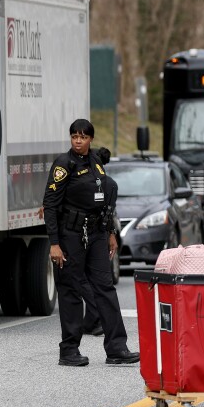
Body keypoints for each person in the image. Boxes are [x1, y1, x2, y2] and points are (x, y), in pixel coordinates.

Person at [43, 119, 139, 367]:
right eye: (74, 136)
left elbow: (105, 199)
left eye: (83, 137)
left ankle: (117, 348)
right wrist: (55, 243)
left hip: (97, 232)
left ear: (90, 140)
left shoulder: (95, 161)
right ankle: (69, 350)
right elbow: (50, 205)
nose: (78, 140)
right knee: (71, 290)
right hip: (71, 233)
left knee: (105, 288)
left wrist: (110, 233)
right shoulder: (63, 165)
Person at [79, 146, 119, 337]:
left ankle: (95, 318)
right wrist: (111, 235)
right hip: (102, 233)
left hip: (83, 233)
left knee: (81, 278)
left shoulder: (87, 181)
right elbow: (110, 213)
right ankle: (93, 321)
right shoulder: (111, 184)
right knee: (99, 280)